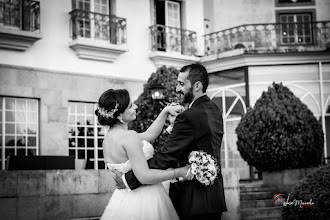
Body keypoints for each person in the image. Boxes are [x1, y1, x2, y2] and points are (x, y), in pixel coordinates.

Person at [116, 63, 227, 220]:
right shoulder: (215, 111)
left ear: (197, 86)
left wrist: (128, 179)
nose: (176, 89)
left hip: (191, 201)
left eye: (181, 84)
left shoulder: (189, 116)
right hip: (214, 199)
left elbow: (165, 157)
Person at [95, 89, 191, 220]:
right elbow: (144, 176)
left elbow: (149, 135)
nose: (135, 106)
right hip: (145, 199)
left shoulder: (108, 140)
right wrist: (178, 172)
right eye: (130, 105)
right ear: (119, 115)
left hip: (123, 200)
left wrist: (165, 111)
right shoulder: (129, 137)